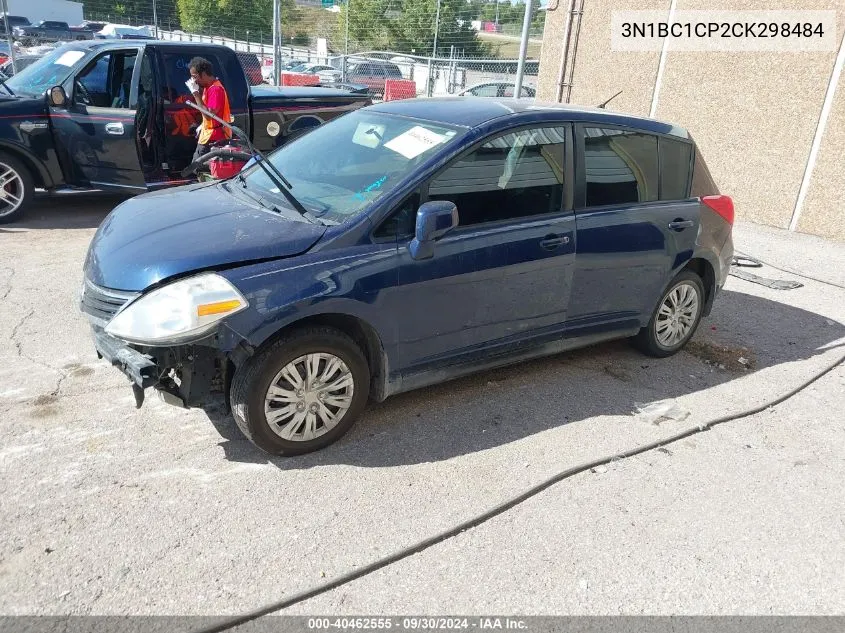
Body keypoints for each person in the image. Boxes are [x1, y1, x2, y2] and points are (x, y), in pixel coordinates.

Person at [187, 57, 232, 162]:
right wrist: (203, 125)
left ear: (203, 74)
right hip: (208, 135)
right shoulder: (208, 88)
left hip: (214, 138)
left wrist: (195, 94)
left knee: (198, 167)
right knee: (198, 167)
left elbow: (209, 114)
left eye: (194, 77)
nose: (193, 80)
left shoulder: (215, 90)